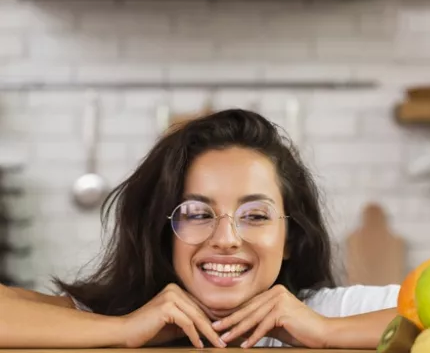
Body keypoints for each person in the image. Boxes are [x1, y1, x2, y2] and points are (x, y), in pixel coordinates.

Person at [0, 109, 400, 349]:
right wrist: (121, 330)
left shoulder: (326, 313)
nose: (226, 239)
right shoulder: (121, 319)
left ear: (290, 239)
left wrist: (328, 333)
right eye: (196, 214)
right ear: (164, 232)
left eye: (255, 216)